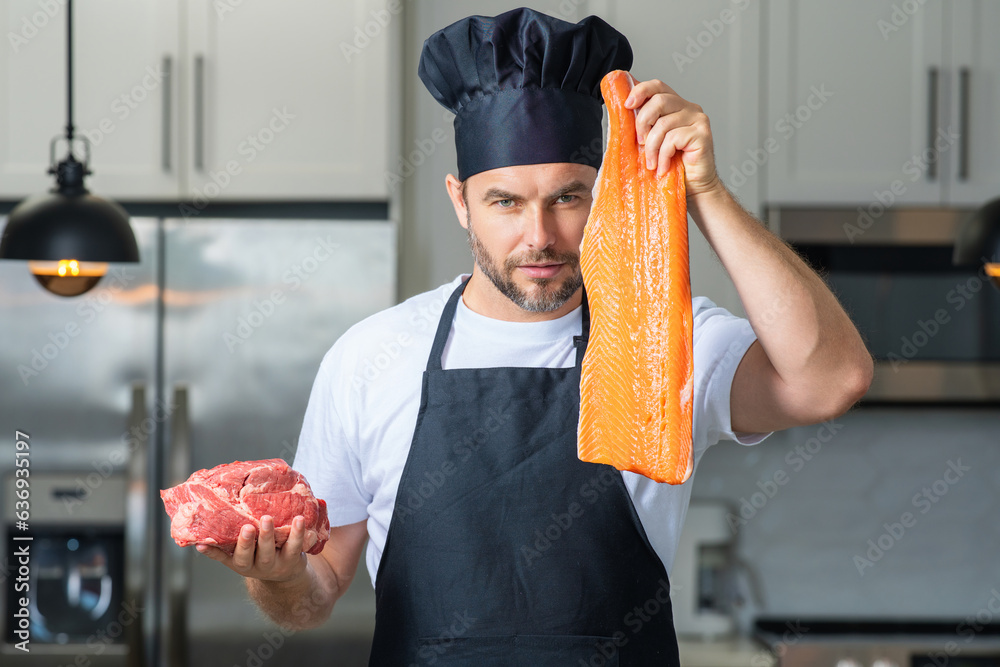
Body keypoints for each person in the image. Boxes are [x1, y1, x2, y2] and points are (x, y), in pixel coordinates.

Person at [195, 8, 873, 665]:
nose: (539, 236)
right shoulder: (371, 357)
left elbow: (831, 379)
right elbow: (313, 596)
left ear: (603, 192)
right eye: (505, 202)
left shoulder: (663, 334)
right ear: (461, 201)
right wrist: (277, 577)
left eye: (567, 197)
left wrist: (705, 191)